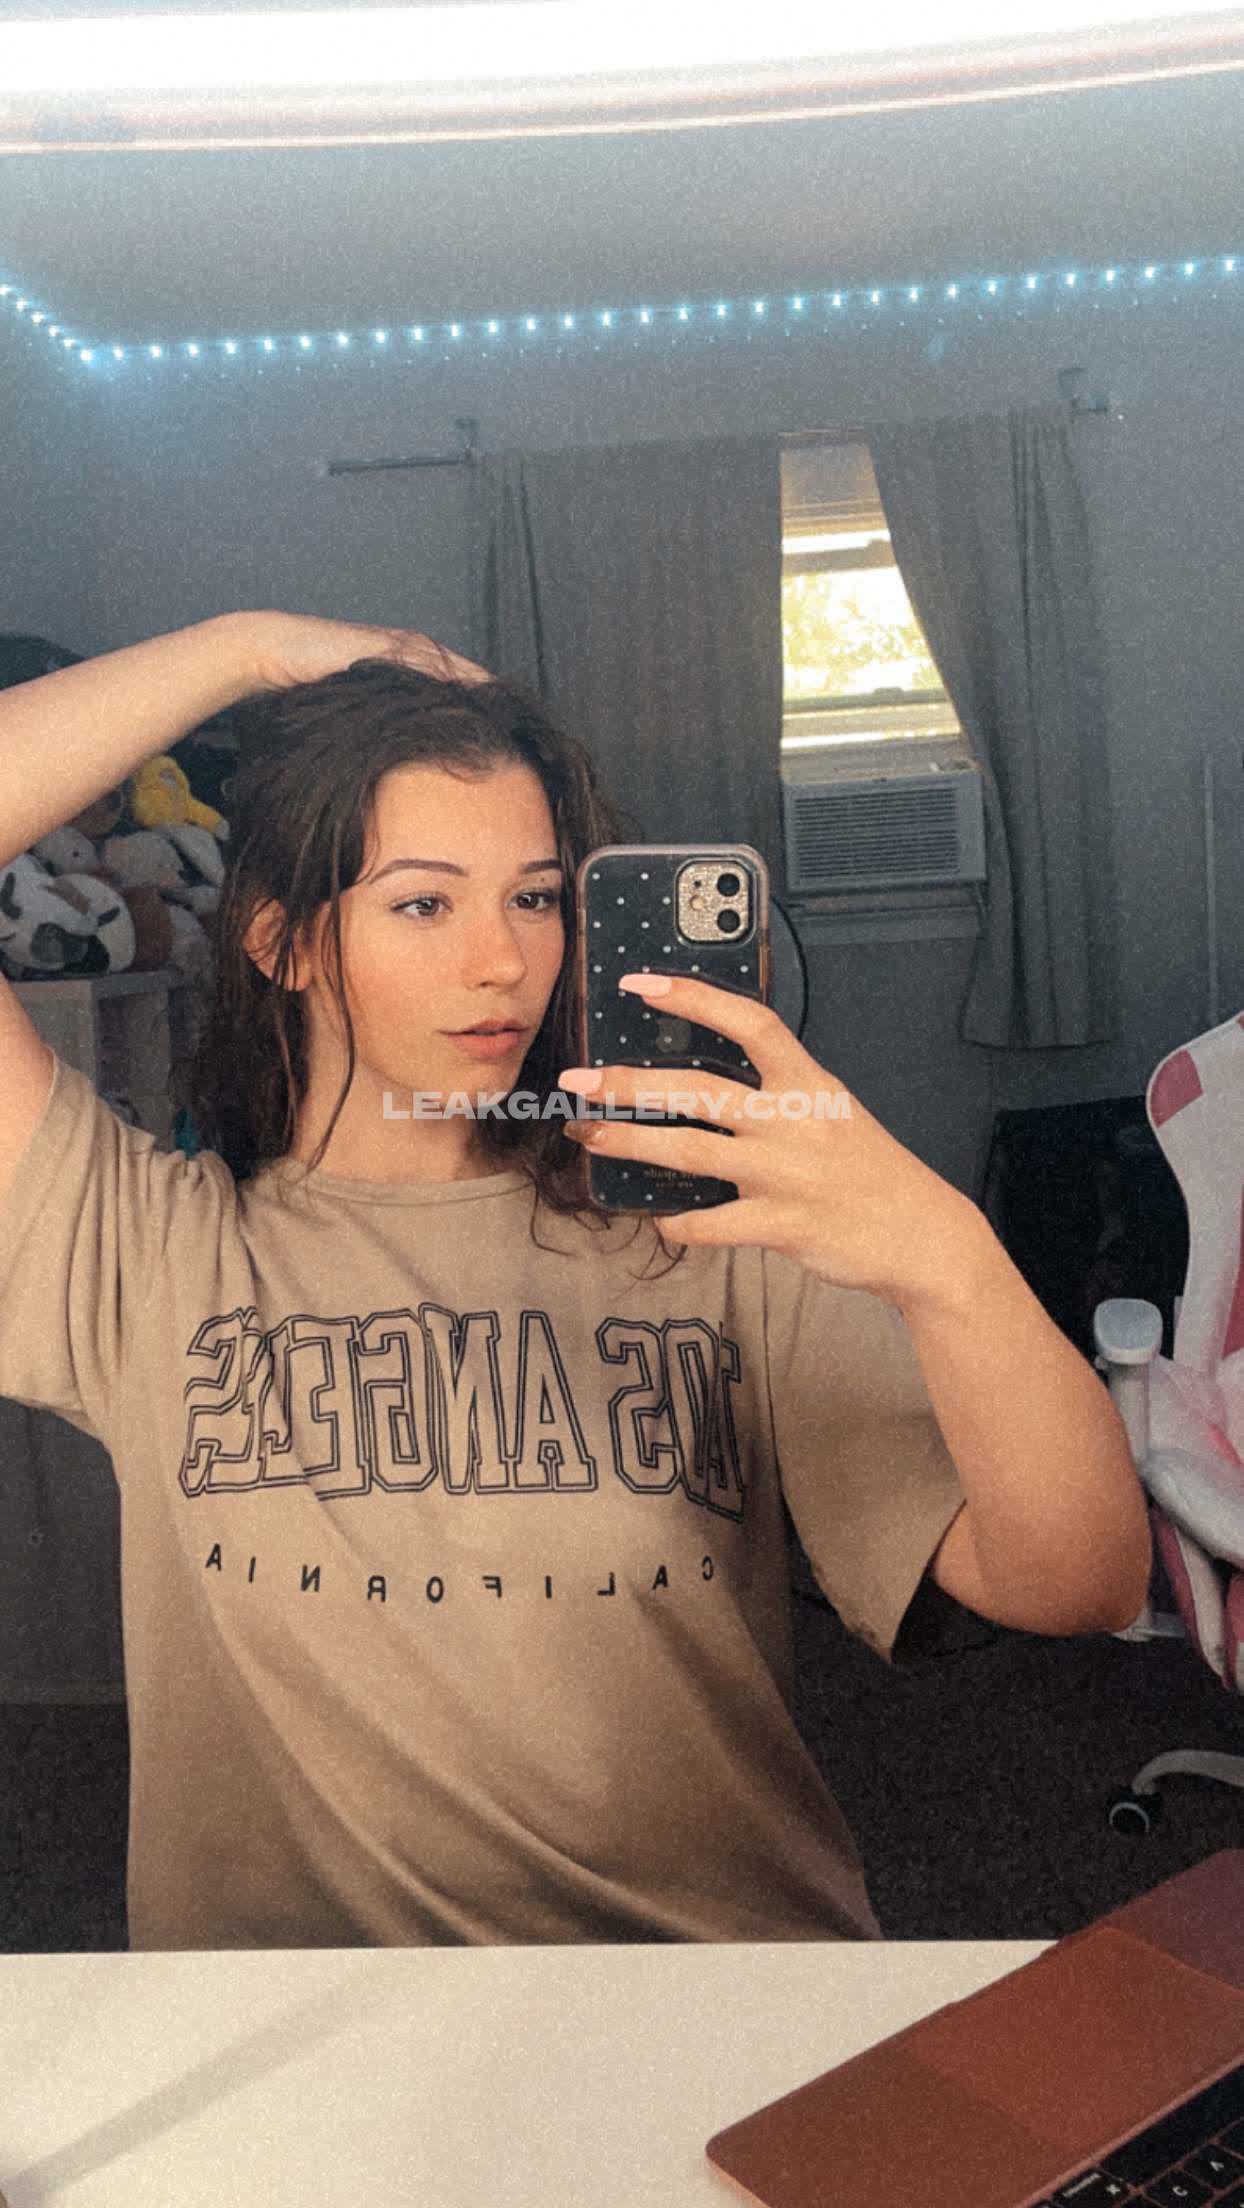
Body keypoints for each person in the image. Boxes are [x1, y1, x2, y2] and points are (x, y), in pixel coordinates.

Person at [0, 610, 1152, 1952]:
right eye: (423, 901)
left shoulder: (707, 1233)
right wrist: (245, 649)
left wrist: (947, 1258)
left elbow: (1080, 1580)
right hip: (299, 2024)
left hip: (701, 1990)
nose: (503, 960)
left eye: (537, 897)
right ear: (283, 938)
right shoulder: (140, 1245)